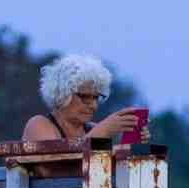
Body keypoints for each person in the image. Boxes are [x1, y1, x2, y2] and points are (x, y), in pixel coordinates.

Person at [22, 53, 150, 143]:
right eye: (85, 97)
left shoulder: (93, 129)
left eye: (96, 98)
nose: (93, 106)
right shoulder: (39, 124)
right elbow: (53, 167)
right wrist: (102, 132)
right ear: (62, 92)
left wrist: (131, 143)